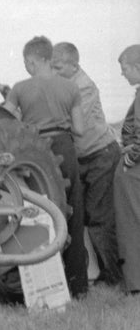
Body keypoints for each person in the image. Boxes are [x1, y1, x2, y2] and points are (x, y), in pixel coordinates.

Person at [3, 36, 88, 298]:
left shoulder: (19, 88)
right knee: (73, 214)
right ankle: (77, 286)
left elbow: (6, 122)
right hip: (65, 147)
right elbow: (80, 130)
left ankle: (41, 288)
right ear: (49, 58)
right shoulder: (70, 88)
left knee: (38, 216)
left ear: (31, 61)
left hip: (36, 154)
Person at [52, 41, 122, 286]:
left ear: (74, 65)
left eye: (58, 67)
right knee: (82, 216)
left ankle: (115, 277)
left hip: (101, 155)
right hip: (83, 159)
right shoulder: (65, 87)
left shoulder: (85, 87)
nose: (54, 72)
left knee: (99, 218)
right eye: (52, 67)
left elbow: (73, 124)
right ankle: (100, 272)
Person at [113, 45, 140, 294]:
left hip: (134, 171)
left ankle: (135, 283)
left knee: (131, 223)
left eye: (125, 69)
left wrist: (130, 157)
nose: (123, 74)